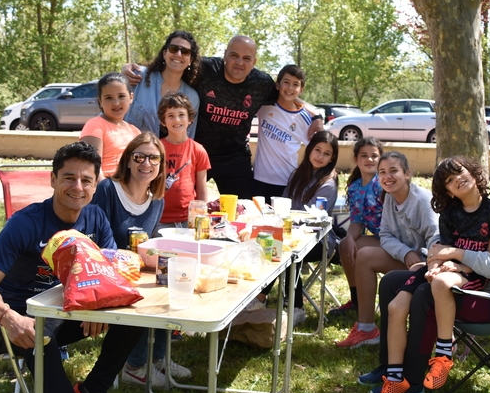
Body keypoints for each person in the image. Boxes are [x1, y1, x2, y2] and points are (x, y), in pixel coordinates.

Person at [0, 142, 143, 393]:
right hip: (9, 320)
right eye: (69, 178)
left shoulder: (96, 218)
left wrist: (98, 305)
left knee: (132, 319)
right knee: (39, 339)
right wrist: (9, 317)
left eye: (86, 180)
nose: (78, 187)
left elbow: (110, 273)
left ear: (95, 184)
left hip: (63, 312)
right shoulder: (26, 223)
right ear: (53, 180)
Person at [360, 157, 490, 393]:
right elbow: (456, 232)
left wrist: (455, 255)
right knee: (393, 282)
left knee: (426, 293)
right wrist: (438, 254)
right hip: (463, 285)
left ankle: (413, 381)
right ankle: (390, 368)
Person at [125, 35, 323, 199]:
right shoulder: (206, 70)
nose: (239, 62)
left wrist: (317, 116)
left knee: (244, 210)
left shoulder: (261, 83)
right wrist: (132, 70)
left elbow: (289, 96)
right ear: (225, 56)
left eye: (246, 58)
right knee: (182, 204)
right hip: (199, 154)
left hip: (234, 158)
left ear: (254, 62)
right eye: (234, 55)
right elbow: (172, 66)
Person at [90, 132, 192, 387]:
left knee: (172, 282)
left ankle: (157, 359)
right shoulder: (108, 190)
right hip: (105, 272)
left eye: (153, 159)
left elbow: (148, 244)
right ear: (127, 160)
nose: (146, 163)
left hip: (136, 270)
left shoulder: (156, 200)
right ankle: (134, 367)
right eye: (139, 157)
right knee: (150, 297)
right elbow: (92, 238)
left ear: (160, 166)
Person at [416, 156, 490, 390]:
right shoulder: (449, 214)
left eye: (459, 172)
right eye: (449, 180)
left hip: (479, 272)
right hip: (453, 269)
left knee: (440, 282)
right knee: (418, 279)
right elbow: (442, 250)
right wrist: (434, 267)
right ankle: (408, 363)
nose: (457, 179)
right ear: (448, 192)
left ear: (474, 173)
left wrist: (461, 267)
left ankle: (444, 354)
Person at [335, 151, 440, 349]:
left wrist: (420, 257)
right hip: (408, 257)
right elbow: (385, 235)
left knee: (366, 255)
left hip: (430, 263)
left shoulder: (422, 200)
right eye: (382, 172)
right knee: (364, 254)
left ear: (407, 173)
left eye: (393, 171)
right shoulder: (390, 197)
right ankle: (366, 328)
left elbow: (436, 238)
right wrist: (406, 253)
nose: (387, 176)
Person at [249, 131, 340, 326]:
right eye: (317, 150)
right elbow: (284, 204)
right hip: (292, 234)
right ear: (309, 150)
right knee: (266, 244)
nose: (320, 156)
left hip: (319, 240)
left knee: (289, 253)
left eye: (326, 153)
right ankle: (259, 297)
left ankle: (296, 308)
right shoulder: (297, 174)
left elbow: (314, 218)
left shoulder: (328, 183)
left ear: (332, 158)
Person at [329, 137, 384, 317]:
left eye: (374, 156)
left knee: (355, 248)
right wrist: (351, 238)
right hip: (379, 238)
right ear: (356, 159)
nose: (369, 160)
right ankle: (357, 301)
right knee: (345, 244)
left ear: (381, 159)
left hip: (396, 239)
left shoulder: (383, 184)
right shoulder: (354, 187)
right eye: (364, 155)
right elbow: (357, 221)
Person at [252, 64, 316, 200]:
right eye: (286, 82)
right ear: (277, 85)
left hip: (286, 181)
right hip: (259, 179)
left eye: (295, 84)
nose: (290, 88)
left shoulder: (305, 119)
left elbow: (317, 147)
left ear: (301, 90)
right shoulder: (264, 106)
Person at [124, 30, 201, 139]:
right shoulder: (138, 76)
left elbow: (187, 140)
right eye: (173, 49)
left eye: (185, 52)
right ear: (165, 53)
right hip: (127, 152)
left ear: (190, 60)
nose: (178, 54)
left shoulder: (192, 98)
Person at [154, 93, 210, 233]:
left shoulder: (198, 150)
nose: (176, 119)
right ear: (163, 120)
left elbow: (202, 189)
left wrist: (202, 218)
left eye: (181, 114)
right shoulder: (156, 148)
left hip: (189, 220)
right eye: (170, 115)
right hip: (160, 219)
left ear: (190, 119)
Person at [79, 72, 141, 178]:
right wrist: (110, 192)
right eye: (108, 98)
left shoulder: (135, 132)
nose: (116, 103)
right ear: (100, 101)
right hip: (105, 190)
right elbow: (91, 168)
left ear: (131, 97)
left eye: (121, 96)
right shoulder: (95, 125)